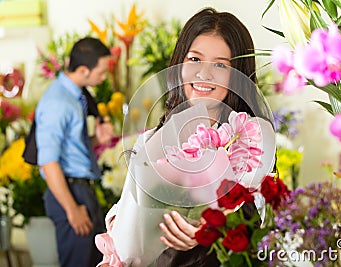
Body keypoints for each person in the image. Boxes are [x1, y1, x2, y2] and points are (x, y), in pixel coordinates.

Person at [103, 7, 274, 266]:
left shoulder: (250, 136)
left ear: (237, 75)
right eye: (194, 59)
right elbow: (130, 202)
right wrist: (120, 222)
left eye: (220, 65)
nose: (204, 74)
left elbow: (254, 208)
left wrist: (210, 226)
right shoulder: (153, 139)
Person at [35, 37, 114, 267]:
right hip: (69, 193)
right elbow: (48, 162)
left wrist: (95, 139)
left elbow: (69, 146)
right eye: (101, 72)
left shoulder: (73, 96)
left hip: (80, 190)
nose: (104, 77)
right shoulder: (58, 102)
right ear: (83, 70)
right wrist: (72, 209)